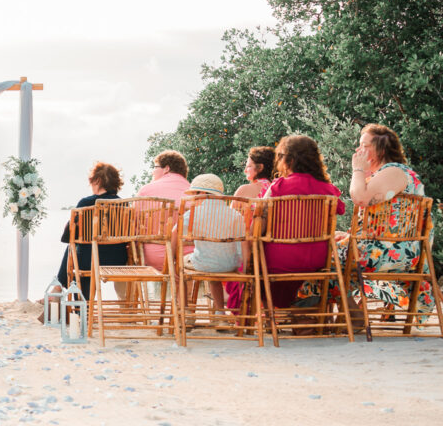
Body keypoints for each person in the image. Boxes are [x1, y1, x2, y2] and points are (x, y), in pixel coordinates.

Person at [301, 124, 435, 317]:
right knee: (325, 253)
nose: (358, 150)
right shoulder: (392, 174)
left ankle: (321, 317)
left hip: (389, 253)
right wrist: (348, 235)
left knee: (314, 256)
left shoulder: (393, 172)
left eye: (364, 145)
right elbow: (392, 225)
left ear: (380, 149)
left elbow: (360, 198)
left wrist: (358, 170)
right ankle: (343, 314)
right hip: (389, 249)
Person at [242, 135, 346, 310]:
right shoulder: (327, 189)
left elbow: (259, 224)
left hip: (280, 260)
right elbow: (340, 210)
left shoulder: (278, 186)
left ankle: (269, 316)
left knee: (252, 255)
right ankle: (309, 314)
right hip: (318, 260)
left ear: (287, 160)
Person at [57, 161, 128, 296]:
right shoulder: (124, 204)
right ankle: (59, 288)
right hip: (118, 260)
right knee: (83, 249)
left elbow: (68, 235)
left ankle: (81, 308)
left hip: (90, 260)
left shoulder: (86, 203)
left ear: (97, 181)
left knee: (76, 248)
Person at [178, 174, 245, 313]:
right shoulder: (235, 214)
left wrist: (172, 258)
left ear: (201, 193)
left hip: (204, 263)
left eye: (195, 194)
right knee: (214, 271)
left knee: (179, 268)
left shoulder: (194, 213)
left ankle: (186, 313)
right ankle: (220, 312)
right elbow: (242, 242)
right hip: (231, 264)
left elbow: (174, 233)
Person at [136, 150, 192, 271]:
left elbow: (134, 224)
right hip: (189, 255)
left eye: (155, 167)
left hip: (155, 256)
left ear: (166, 168)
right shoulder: (195, 193)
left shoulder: (146, 191)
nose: (152, 171)